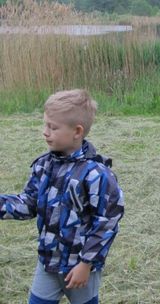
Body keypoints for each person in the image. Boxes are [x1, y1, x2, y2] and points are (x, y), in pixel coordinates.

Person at [0, 89, 124, 304]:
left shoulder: (96, 174)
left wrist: (86, 264)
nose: (45, 132)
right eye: (45, 124)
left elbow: (107, 222)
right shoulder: (43, 165)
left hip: (80, 267)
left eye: (53, 127)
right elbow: (28, 204)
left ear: (77, 131)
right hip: (48, 262)